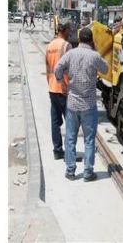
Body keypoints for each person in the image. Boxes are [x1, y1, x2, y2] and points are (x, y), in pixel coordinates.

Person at [54, 28, 108, 182]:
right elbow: (105, 69)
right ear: (91, 40)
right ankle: (88, 173)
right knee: (89, 140)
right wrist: (95, 51)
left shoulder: (71, 54)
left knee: (70, 138)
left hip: (72, 103)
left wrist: (61, 82)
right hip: (88, 105)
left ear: (79, 38)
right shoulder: (94, 56)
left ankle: (70, 171)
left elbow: (57, 68)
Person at [46, 20, 72, 160]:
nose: (71, 33)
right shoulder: (66, 46)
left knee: (55, 121)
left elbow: (47, 68)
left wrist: (50, 84)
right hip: (63, 89)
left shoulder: (50, 45)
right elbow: (70, 68)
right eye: (69, 30)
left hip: (52, 88)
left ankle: (57, 150)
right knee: (70, 122)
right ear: (64, 30)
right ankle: (69, 153)